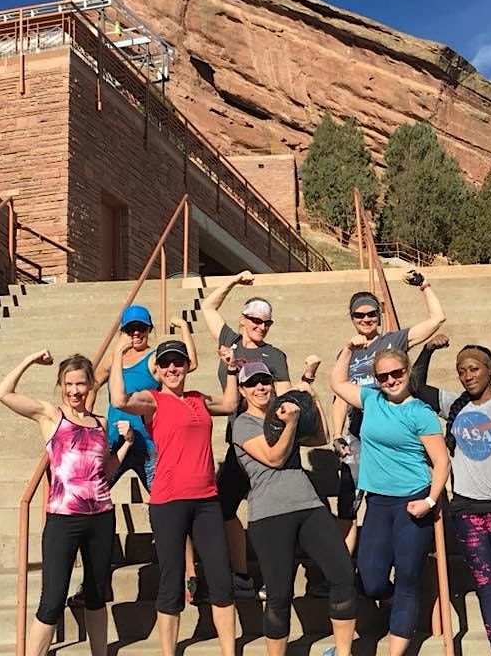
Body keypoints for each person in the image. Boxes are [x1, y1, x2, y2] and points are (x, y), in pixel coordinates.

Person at [0, 350, 133, 656]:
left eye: (80, 384)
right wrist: (30, 359)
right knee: (53, 599)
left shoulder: (100, 422)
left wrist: (127, 445)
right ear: (61, 385)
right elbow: (2, 392)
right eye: (68, 384)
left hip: (101, 516)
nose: (74, 391)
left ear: (90, 385)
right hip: (62, 519)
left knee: (97, 594)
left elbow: (106, 471)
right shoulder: (50, 415)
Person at [412, 333, 491, 656]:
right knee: (487, 587)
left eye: (474, 369)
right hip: (467, 513)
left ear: (490, 370)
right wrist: (427, 350)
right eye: (461, 370)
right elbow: (416, 386)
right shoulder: (455, 405)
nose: (467, 375)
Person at [109, 336, 240, 656]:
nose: (172, 368)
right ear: (157, 368)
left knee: (221, 579)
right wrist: (116, 356)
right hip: (168, 501)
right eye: (165, 363)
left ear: (186, 366)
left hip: (207, 498)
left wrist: (232, 369)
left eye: (177, 362)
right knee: (170, 581)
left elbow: (230, 405)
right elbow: (119, 400)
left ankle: (228, 651)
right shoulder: (152, 400)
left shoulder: (197, 398)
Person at [330, 338, 451, 656]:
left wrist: (429, 501)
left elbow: (441, 462)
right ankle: (397, 605)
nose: (391, 380)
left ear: (407, 371)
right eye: (383, 376)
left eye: (396, 373)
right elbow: (338, 383)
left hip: (412, 504)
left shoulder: (420, 413)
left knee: (409, 579)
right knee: (370, 580)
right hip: (378, 503)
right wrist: (348, 350)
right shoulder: (371, 399)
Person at [232, 361, 357, 656]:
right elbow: (274, 457)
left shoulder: (283, 412)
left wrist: (312, 400)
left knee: (342, 574)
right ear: (242, 390)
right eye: (252, 383)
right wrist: (290, 423)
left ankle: (342, 652)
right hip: (269, 515)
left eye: (265, 381)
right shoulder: (243, 424)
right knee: (279, 594)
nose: (260, 387)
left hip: (308, 505)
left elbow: (320, 438)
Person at [331, 269, 445, 554]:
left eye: (371, 314)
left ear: (379, 314)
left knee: (386, 502)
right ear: (352, 318)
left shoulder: (394, 341)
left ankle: (395, 559)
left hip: (395, 432)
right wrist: (336, 433)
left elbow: (436, 319)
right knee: (348, 503)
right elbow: (340, 395)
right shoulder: (348, 352)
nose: (366, 319)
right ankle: (347, 568)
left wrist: (424, 286)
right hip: (359, 434)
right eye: (360, 315)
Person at [200, 270, 293, 598]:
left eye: (266, 322)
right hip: (237, 441)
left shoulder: (275, 356)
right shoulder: (230, 341)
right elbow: (208, 307)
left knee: (269, 512)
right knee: (224, 507)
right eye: (255, 320)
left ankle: (273, 577)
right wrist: (234, 281)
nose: (261, 327)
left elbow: (284, 398)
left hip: (265, 441)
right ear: (243, 320)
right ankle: (240, 574)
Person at [90, 304, 198, 493]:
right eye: (131, 329)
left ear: (149, 329)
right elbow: (92, 385)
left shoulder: (154, 357)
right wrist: (90, 422)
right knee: (94, 493)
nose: (136, 333)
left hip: (148, 442)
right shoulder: (113, 359)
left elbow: (192, 363)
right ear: (123, 332)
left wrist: (183, 327)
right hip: (116, 440)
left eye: (142, 328)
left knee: (162, 495)